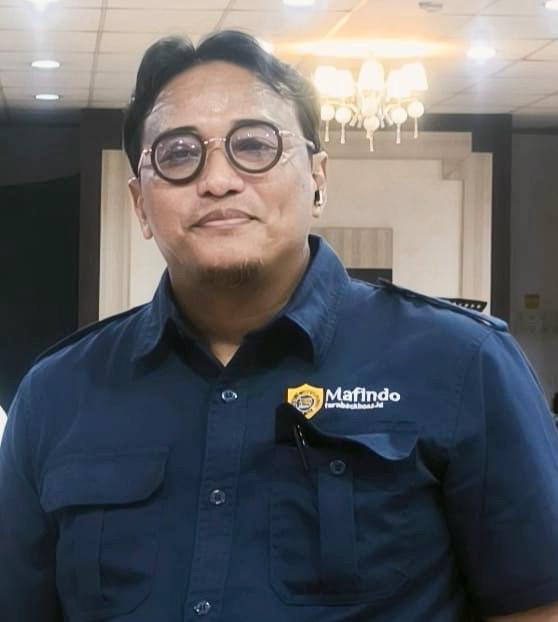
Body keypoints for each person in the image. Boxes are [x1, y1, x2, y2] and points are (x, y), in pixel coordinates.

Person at [1, 30, 558, 622]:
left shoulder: (462, 361)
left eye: (255, 145)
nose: (218, 180)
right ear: (140, 203)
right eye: (178, 154)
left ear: (318, 178)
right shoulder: (59, 394)